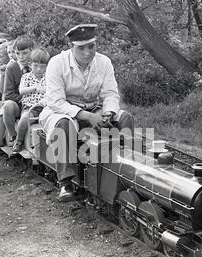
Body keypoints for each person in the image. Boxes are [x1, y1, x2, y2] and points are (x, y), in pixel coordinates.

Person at [39, 24, 134, 202]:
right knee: (64, 126)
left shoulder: (104, 62)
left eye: (91, 46)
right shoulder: (57, 63)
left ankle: (126, 168)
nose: (87, 52)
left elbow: (110, 94)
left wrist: (109, 113)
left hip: (94, 109)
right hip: (62, 111)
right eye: (81, 48)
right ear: (70, 47)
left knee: (125, 117)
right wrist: (87, 116)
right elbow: (56, 101)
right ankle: (66, 182)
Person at [0, 36, 33, 166]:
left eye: (25, 53)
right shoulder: (12, 68)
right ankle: (8, 140)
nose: (21, 57)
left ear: (32, 51)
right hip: (17, 102)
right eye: (18, 54)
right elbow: (8, 94)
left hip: (34, 103)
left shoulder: (37, 66)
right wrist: (25, 99)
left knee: (3, 113)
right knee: (6, 108)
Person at [12, 48, 50, 153]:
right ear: (30, 65)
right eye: (35, 66)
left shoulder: (49, 78)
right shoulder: (26, 77)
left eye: (42, 67)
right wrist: (34, 87)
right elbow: (21, 91)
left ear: (47, 67)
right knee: (25, 118)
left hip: (46, 108)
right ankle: (18, 141)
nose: (38, 69)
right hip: (31, 107)